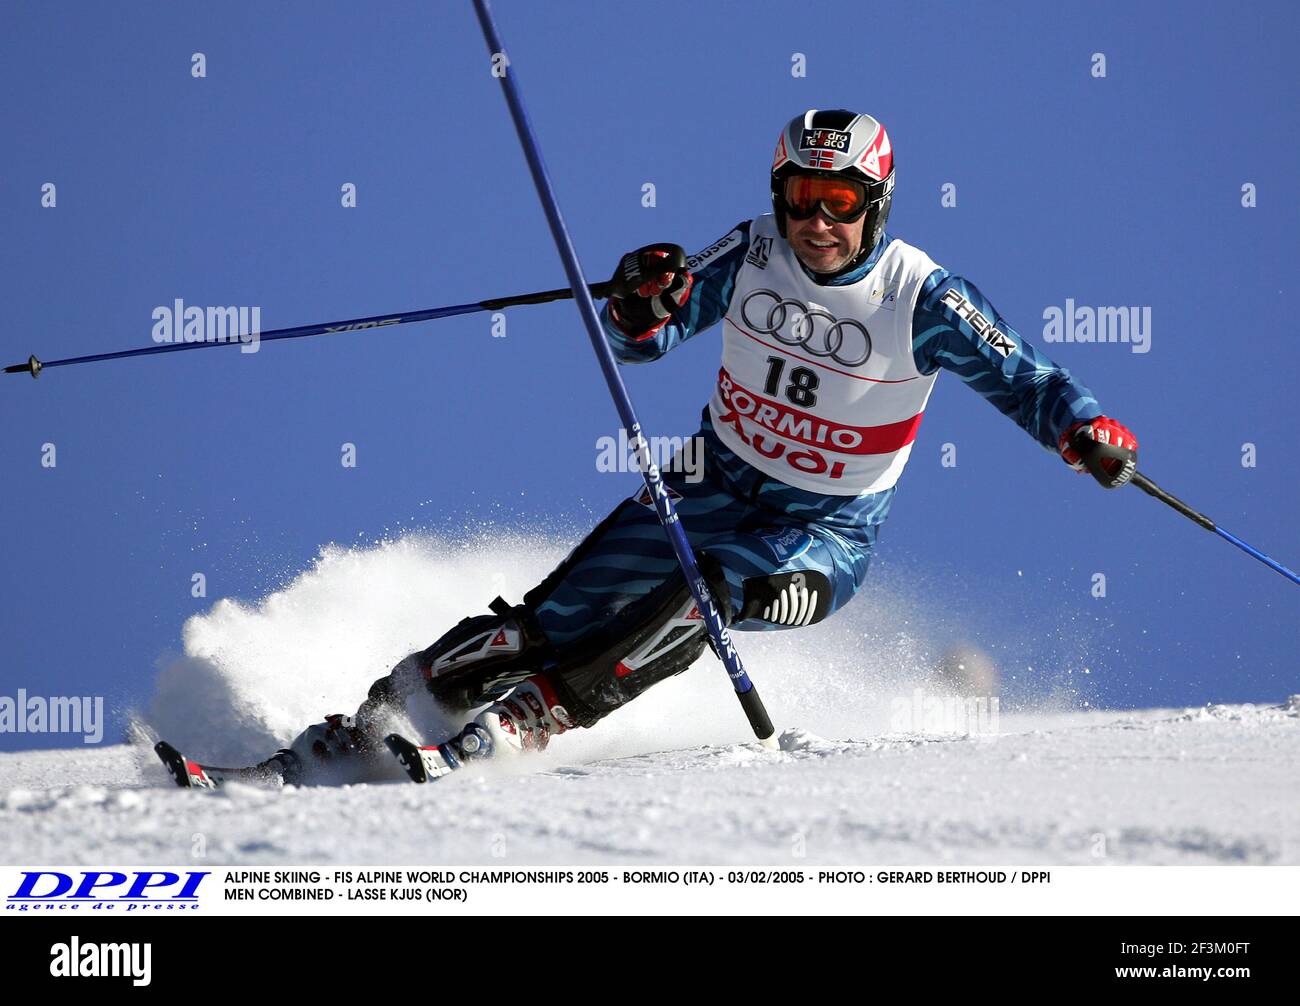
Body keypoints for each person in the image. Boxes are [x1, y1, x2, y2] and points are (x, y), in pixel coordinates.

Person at [231, 109, 1139, 786]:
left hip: (820, 538)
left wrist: (1084, 431)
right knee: (549, 622)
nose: (816, 223)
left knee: (705, 595)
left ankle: (531, 720)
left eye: (840, 203)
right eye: (798, 199)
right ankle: (376, 722)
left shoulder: (923, 297)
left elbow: (1026, 378)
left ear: (877, 205)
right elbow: (646, 335)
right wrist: (639, 299)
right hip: (706, 484)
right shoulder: (750, 253)